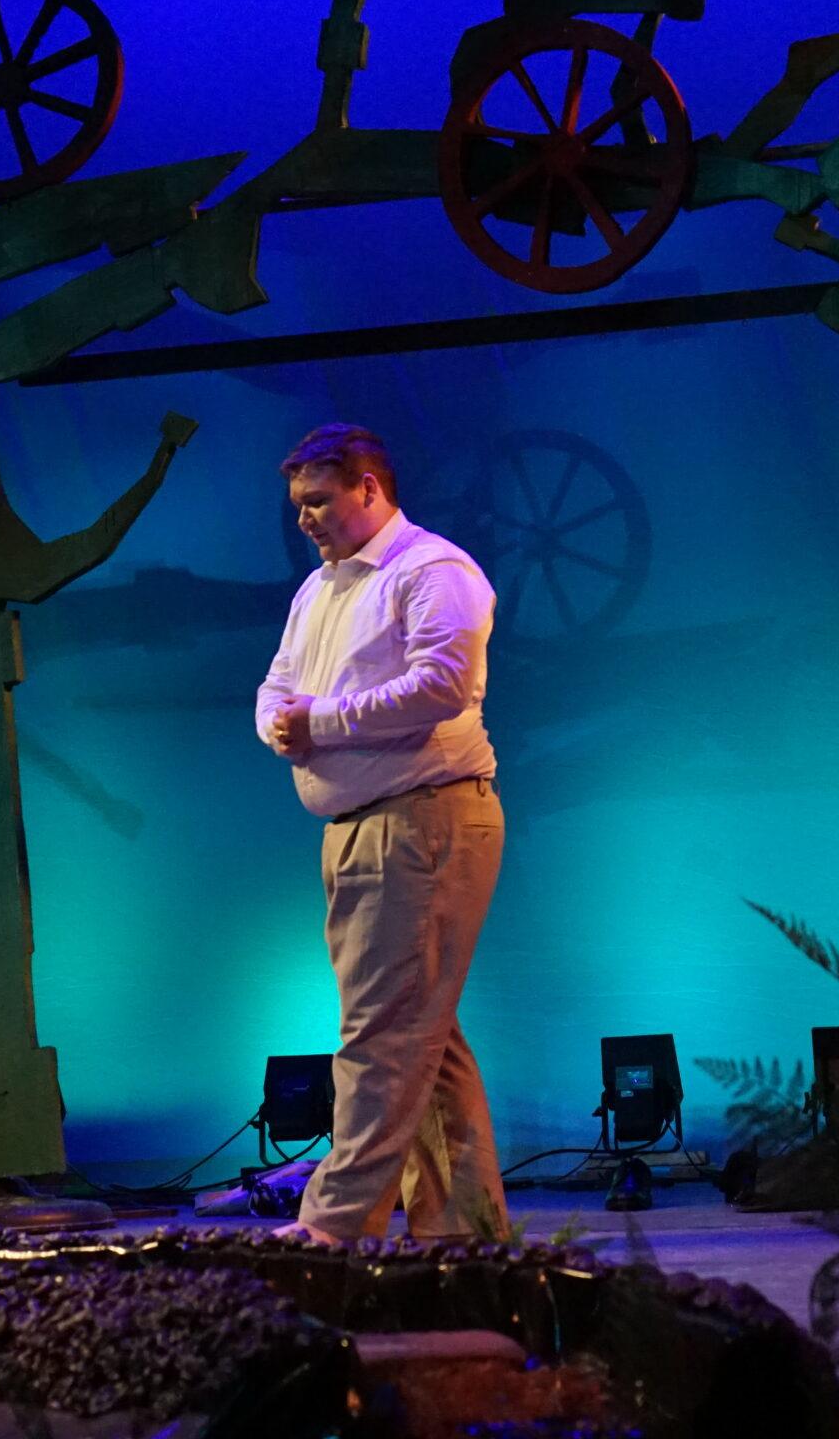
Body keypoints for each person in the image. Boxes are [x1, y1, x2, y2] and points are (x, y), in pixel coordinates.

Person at [254, 423, 510, 1246]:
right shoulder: (319, 589)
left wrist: (319, 723)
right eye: (298, 506)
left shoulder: (432, 570)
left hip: (421, 820)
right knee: (423, 1038)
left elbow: (442, 684)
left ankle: (334, 1230)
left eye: (318, 501)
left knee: (384, 1036)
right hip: (363, 830)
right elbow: (278, 684)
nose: (305, 519)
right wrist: (278, 723)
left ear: (369, 488)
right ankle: (465, 1235)